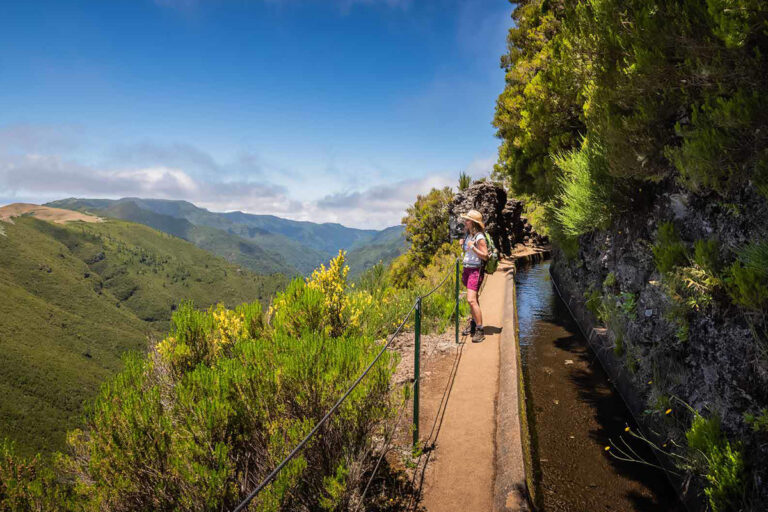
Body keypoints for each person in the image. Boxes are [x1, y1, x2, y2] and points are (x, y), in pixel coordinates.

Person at [459, 210, 488, 342]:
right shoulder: (469, 236)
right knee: (473, 299)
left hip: (475, 271)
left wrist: (473, 247)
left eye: (468, 220)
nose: (466, 222)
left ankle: (480, 330)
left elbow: (485, 256)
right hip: (467, 269)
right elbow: (468, 253)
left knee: (471, 300)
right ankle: (473, 325)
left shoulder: (479, 237)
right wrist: (463, 246)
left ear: (474, 223)